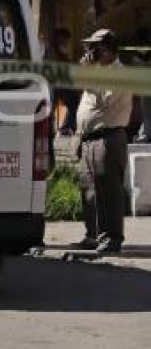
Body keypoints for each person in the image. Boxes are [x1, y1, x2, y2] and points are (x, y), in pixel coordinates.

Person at [74, 29, 133, 254]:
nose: (89, 52)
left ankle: (112, 239)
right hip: (90, 138)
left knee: (109, 192)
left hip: (108, 138)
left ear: (106, 49)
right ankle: (93, 235)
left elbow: (103, 101)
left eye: (94, 47)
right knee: (89, 190)